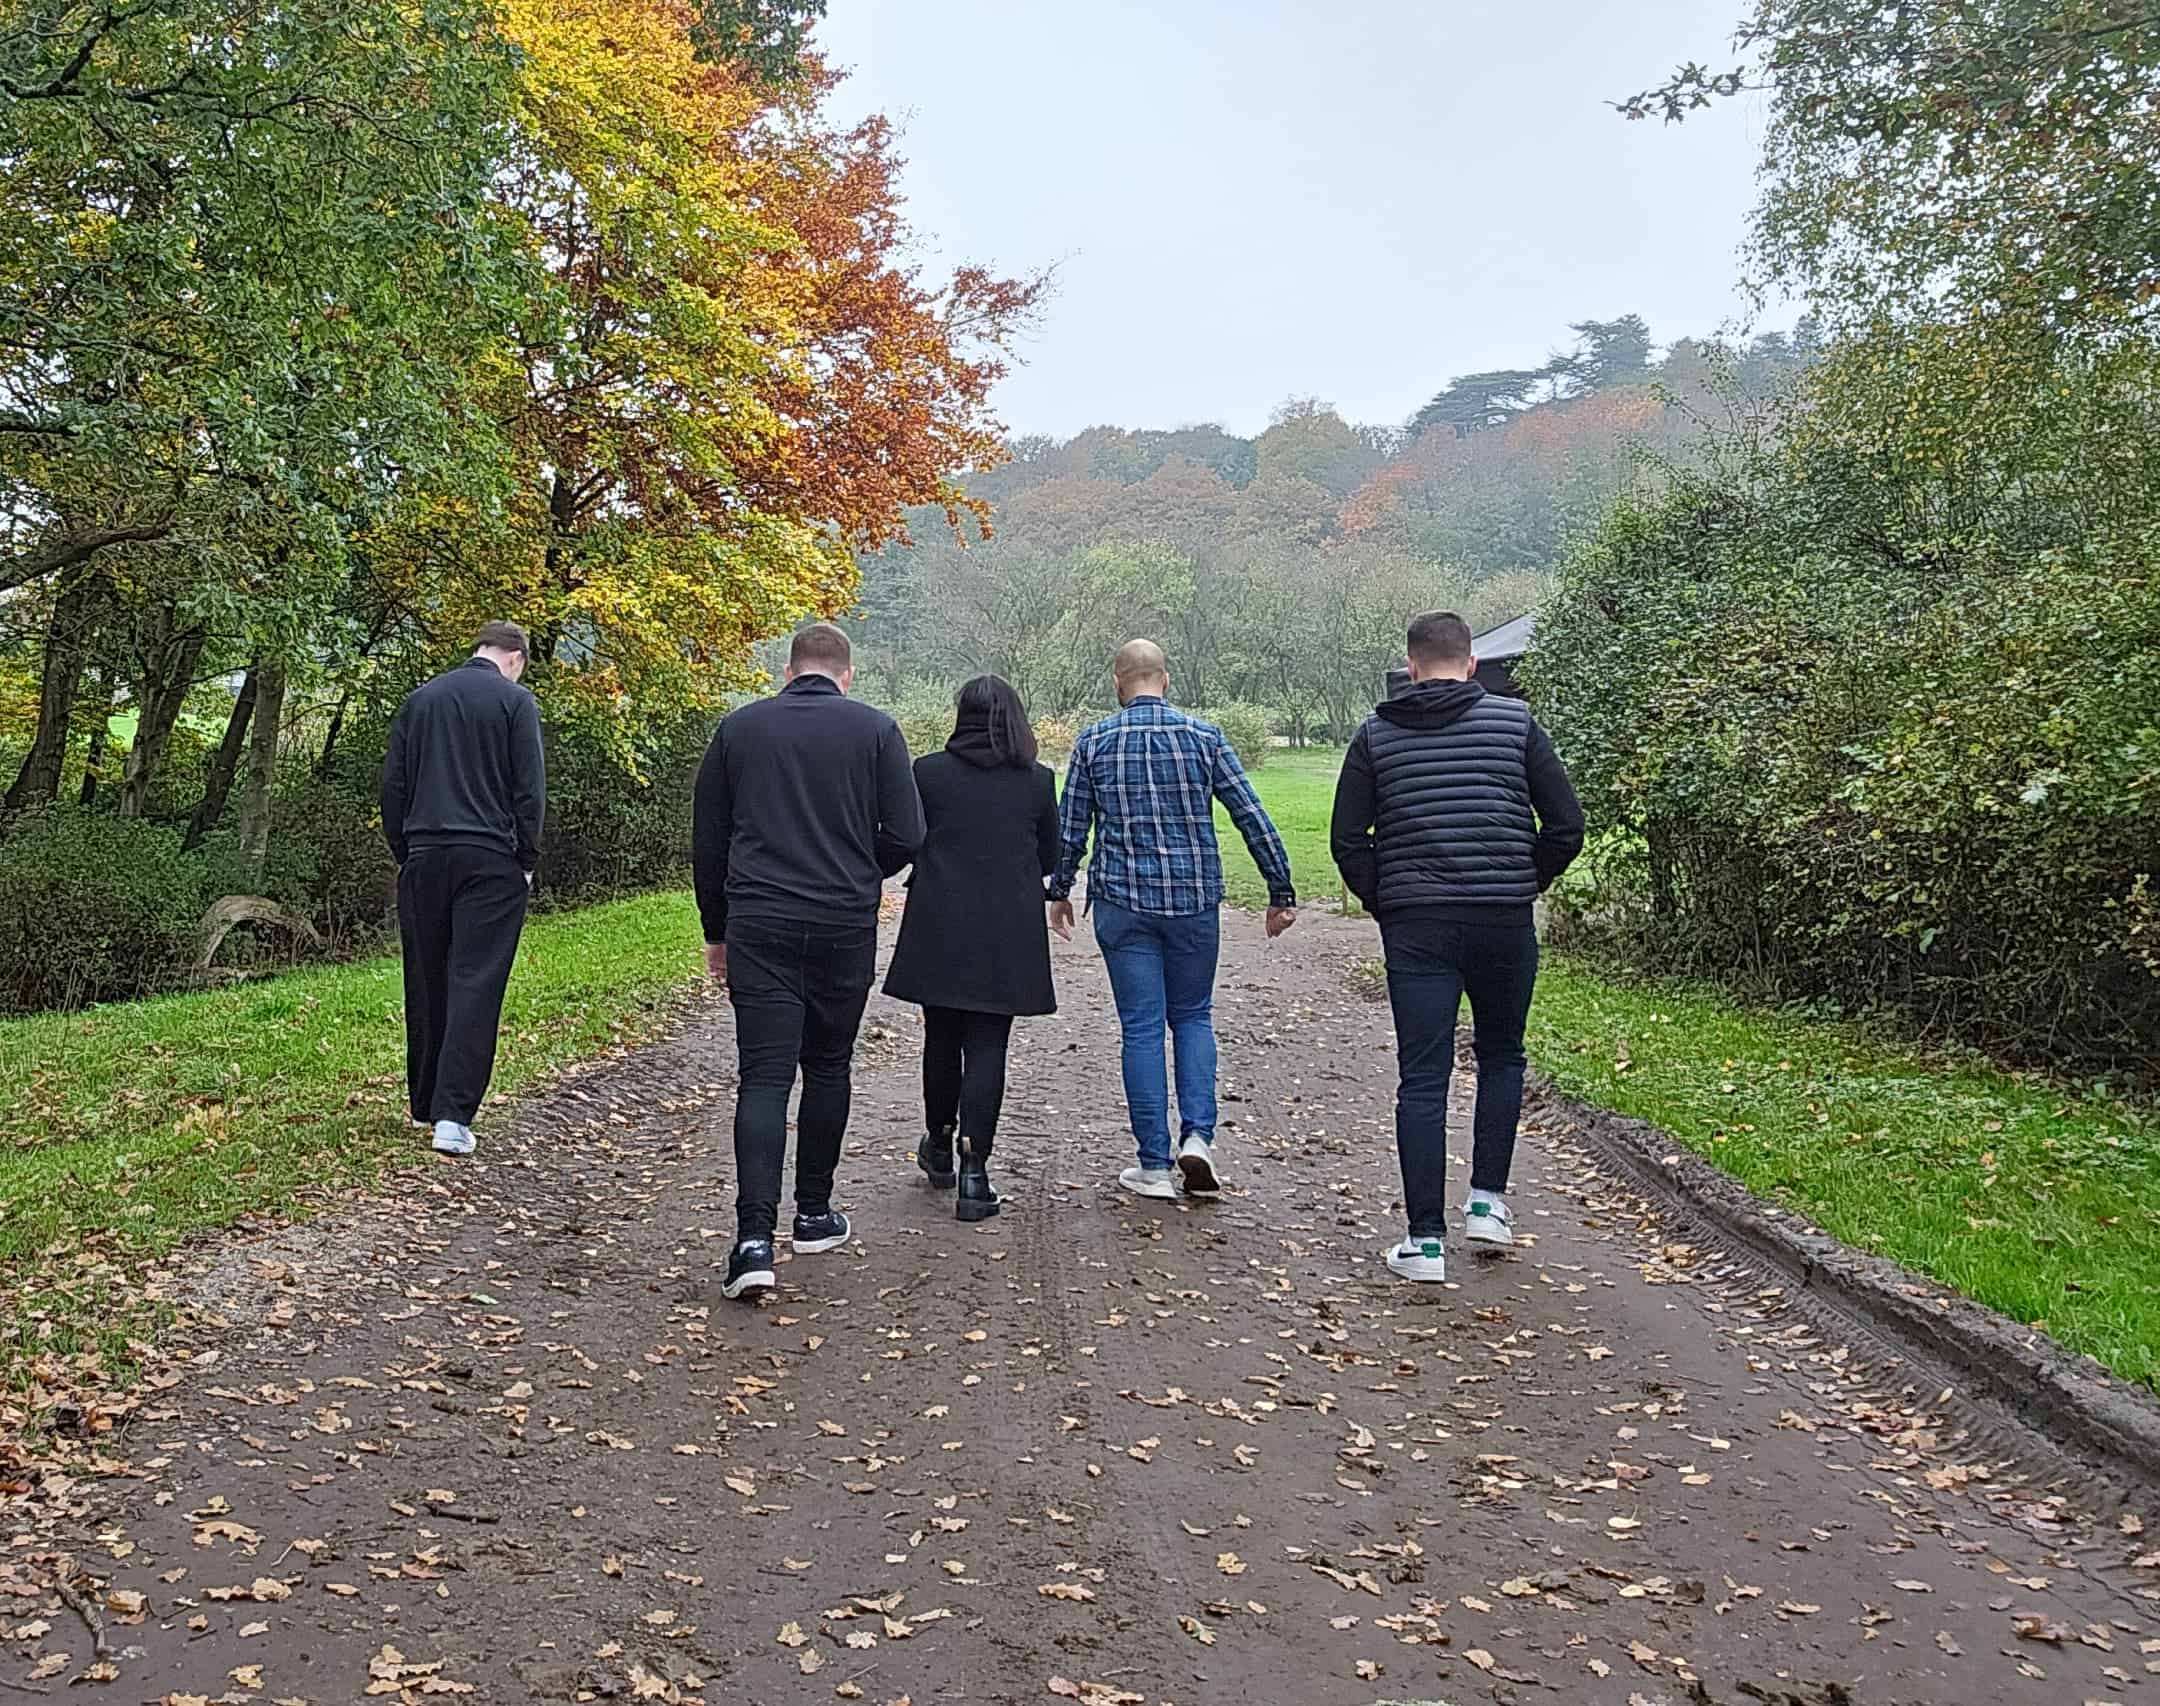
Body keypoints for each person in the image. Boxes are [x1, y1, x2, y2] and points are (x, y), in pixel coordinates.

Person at [1329, 610, 1584, 1282]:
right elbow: (1565, 824)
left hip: (1418, 924)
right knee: (1502, 1054)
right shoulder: (1516, 725)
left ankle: (1424, 1243)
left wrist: (1390, 901)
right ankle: (1487, 1203)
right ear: (1471, 665)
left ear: (1410, 666)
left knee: (1423, 1075)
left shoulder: (1376, 735)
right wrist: (1527, 879)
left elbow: (1348, 841)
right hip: (1503, 915)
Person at [692, 623, 924, 1300]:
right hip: (842, 920)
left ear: (786, 671)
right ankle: (815, 1215)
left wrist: (717, 930)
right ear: (846, 675)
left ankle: (752, 1241)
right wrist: (861, 871)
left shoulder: (739, 731)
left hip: (758, 918)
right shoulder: (877, 732)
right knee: (827, 1065)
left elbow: (708, 842)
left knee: (762, 1077)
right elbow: (909, 834)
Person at [1048, 639, 1297, 1202]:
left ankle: (1153, 1165)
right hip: (1193, 902)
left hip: (1122, 903)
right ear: (1167, 679)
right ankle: (1199, 1138)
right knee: (1193, 1017)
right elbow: (1249, 813)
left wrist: (1060, 889)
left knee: (1141, 1026)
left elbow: (1072, 826)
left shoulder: (1094, 740)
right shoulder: (1204, 737)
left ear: (1118, 682)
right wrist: (1279, 889)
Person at [882, 675, 1060, 1222]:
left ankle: (938, 1140)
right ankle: (974, 1169)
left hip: (940, 923)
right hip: (1006, 931)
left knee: (941, 1036)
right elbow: (1050, 857)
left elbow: (907, 838)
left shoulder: (928, 774)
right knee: (989, 1046)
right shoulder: (1036, 781)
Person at [379, 620, 546, 1159]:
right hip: (490, 859)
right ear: (516, 657)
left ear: (478, 649)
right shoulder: (515, 703)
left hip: (425, 854)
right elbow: (529, 789)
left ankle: (423, 1101)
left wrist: (406, 851)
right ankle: (453, 1117)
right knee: (476, 980)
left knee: (426, 976)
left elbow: (393, 787)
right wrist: (526, 857)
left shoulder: (420, 700)